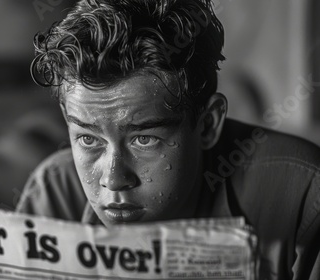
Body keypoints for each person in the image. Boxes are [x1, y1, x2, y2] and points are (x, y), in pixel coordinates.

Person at [16, 0, 320, 279]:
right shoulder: (54, 192)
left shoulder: (304, 193)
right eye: (87, 139)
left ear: (208, 124)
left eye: (144, 140)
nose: (113, 179)